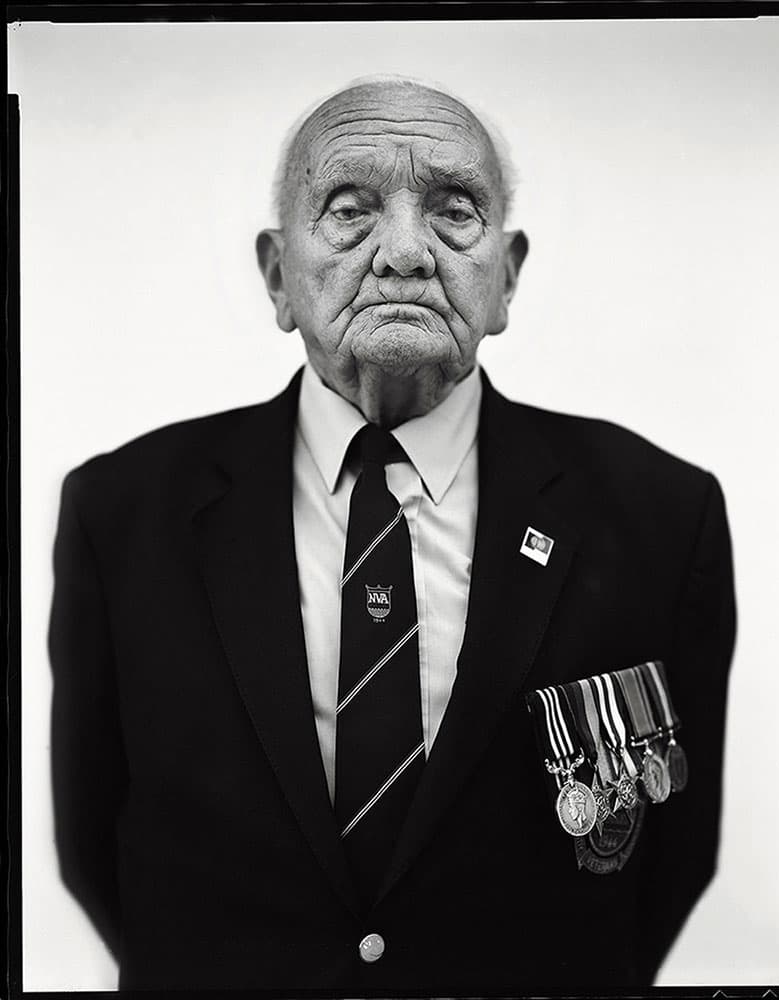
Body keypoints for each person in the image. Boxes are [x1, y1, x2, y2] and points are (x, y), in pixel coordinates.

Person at [49, 76, 736, 993]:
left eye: (456, 211)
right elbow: (96, 845)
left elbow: (670, 859)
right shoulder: (122, 512)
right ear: (275, 274)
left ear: (508, 275)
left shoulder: (660, 515)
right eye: (348, 209)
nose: (406, 253)